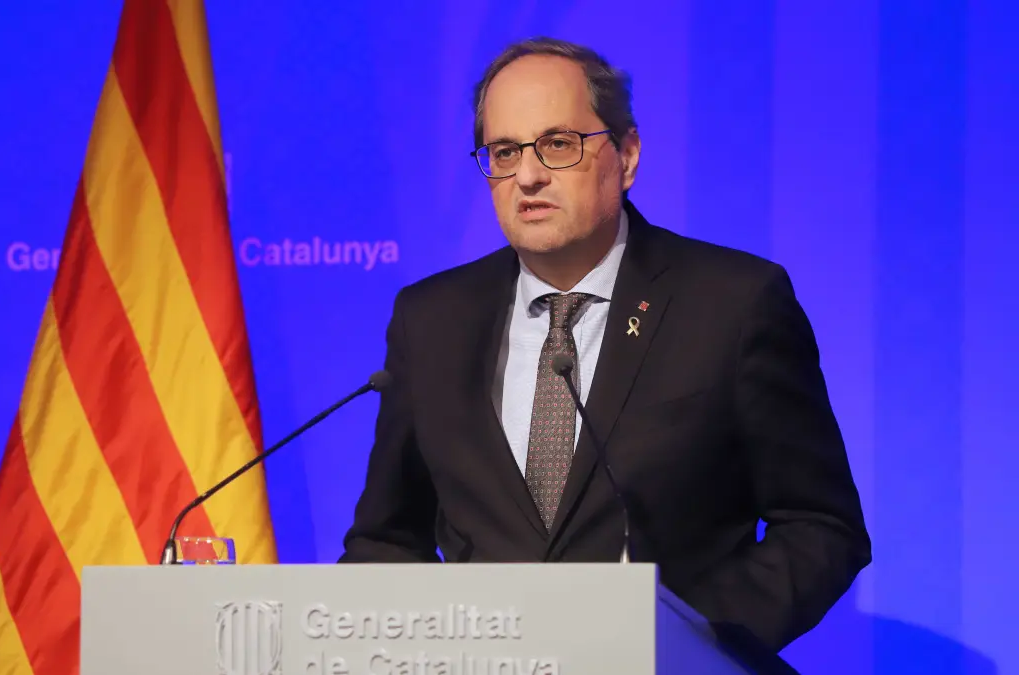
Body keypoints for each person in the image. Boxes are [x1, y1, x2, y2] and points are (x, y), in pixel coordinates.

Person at [338, 36, 871, 652]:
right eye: (505, 152)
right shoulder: (431, 318)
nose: (528, 176)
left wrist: (685, 643)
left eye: (558, 144)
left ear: (628, 155)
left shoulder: (733, 303)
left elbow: (819, 526)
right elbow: (384, 539)